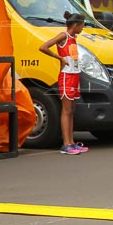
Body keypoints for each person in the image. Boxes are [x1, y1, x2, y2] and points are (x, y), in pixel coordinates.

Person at [38, 11, 88, 155]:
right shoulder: (63, 36)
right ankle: (66, 144)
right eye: (82, 25)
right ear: (76, 25)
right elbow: (43, 47)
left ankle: (71, 142)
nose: (83, 28)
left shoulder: (73, 38)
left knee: (72, 110)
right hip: (67, 75)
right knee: (66, 110)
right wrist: (59, 57)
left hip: (75, 75)